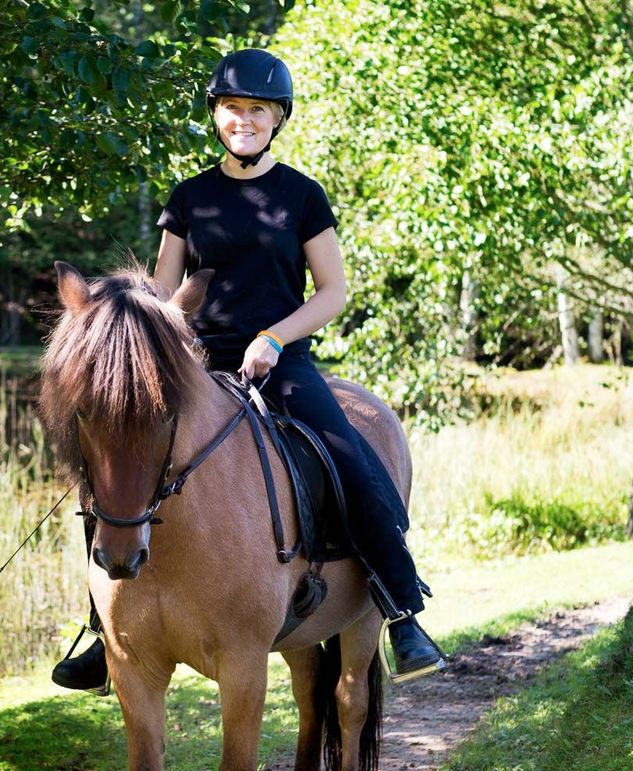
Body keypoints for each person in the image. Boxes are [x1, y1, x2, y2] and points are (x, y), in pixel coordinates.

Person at [52, 48, 444, 691]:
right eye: (232, 107)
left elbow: (332, 293)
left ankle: (403, 611)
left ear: (277, 118)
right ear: (216, 115)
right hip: (196, 367)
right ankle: (105, 628)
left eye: (258, 109)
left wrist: (273, 337)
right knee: (115, 470)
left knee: (351, 460)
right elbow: (161, 296)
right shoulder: (189, 199)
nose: (244, 120)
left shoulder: (303, 197)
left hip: (279, 363)